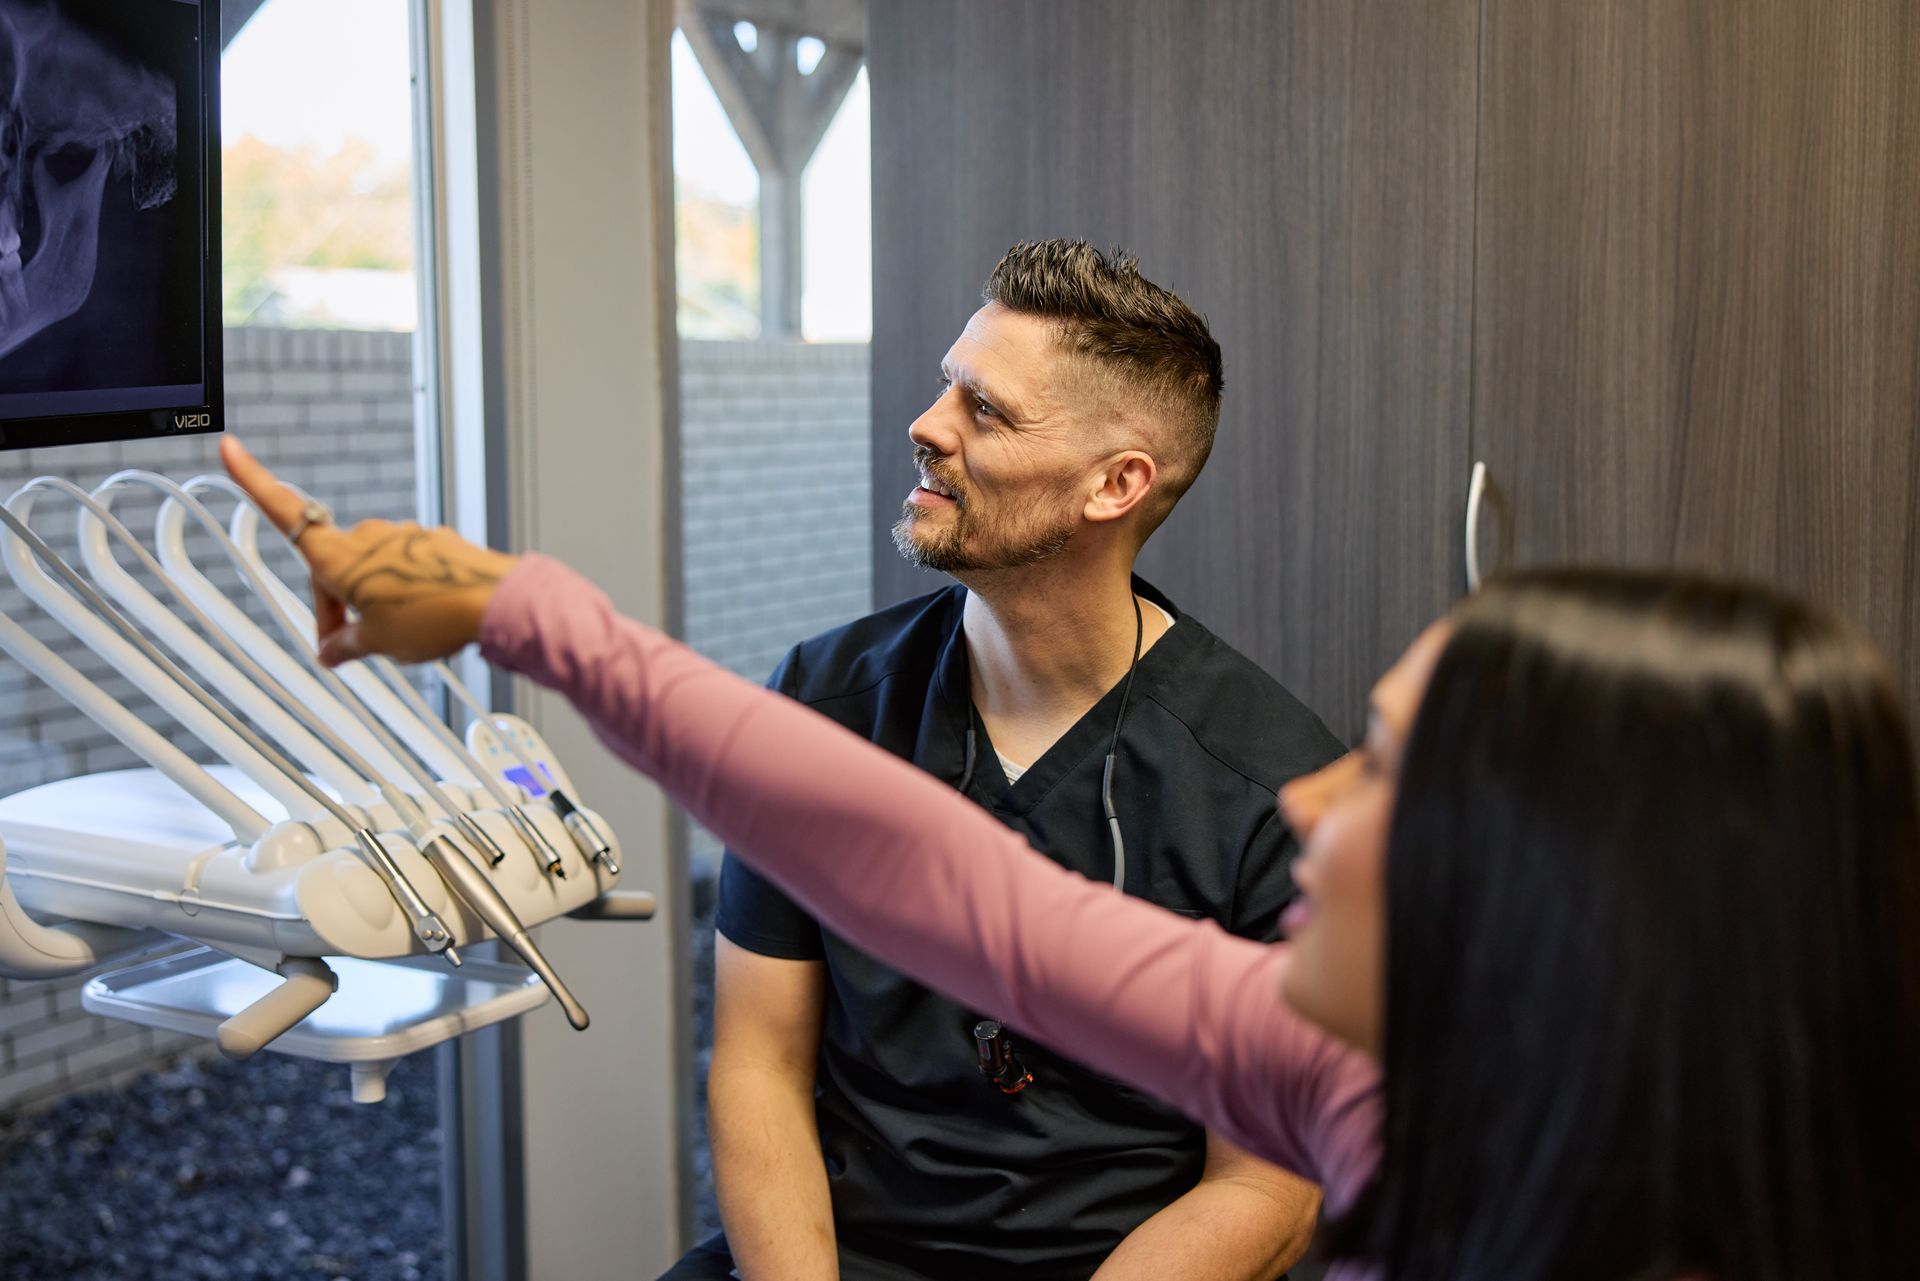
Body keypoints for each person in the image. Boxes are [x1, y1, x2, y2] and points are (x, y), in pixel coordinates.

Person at [223, 435, 1920, 1281]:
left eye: (1395, 771)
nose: (1315, 806)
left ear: (1572, 875)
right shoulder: (1346, 1068)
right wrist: (529, 615)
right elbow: (955, 890)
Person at [691, 239, 1335, 1280]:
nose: (926, 427)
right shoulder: (820, 708)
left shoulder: (1272, 793)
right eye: (948, 386)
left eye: (984, 411)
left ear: (1114, 485)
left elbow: (1262, 1187)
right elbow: (759, 1064)